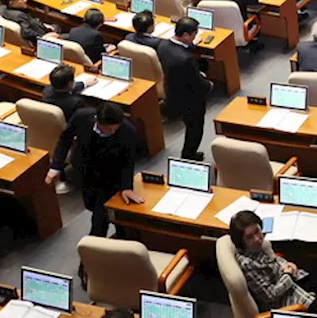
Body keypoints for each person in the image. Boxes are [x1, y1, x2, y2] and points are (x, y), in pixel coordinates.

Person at [46, 102, 143, 237]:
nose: (113, 132)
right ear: (96, 120)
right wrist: (56, 166)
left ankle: (101, 240)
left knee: (100, 217)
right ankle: (119, 231)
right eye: (109, 129)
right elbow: (65, 139)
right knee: (91, 204)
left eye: (116, 128)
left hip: (110, 176)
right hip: (85, 170)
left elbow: (128, 162)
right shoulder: (82, 117)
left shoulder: (128, 131)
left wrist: (127, 187)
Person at [228, 210, 317, 313]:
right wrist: (288, 274)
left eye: (257, 231)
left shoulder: (259, 247)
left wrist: (286, 264)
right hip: (286, 299)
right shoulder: (248, 265)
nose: (257, 238)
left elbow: (274, 260)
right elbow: (271, 296)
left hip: (289, 280)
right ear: (241, 242)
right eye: (249, 237)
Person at [159, 17, 211, 160]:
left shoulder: (163, 45)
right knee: (195, 128)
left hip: (171, 90)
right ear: (186, 35)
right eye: (194, 34)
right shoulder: (186, 60)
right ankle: (189, 155)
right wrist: (208, 84)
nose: (195, 37)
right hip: (190, 98)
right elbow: (196, 82)